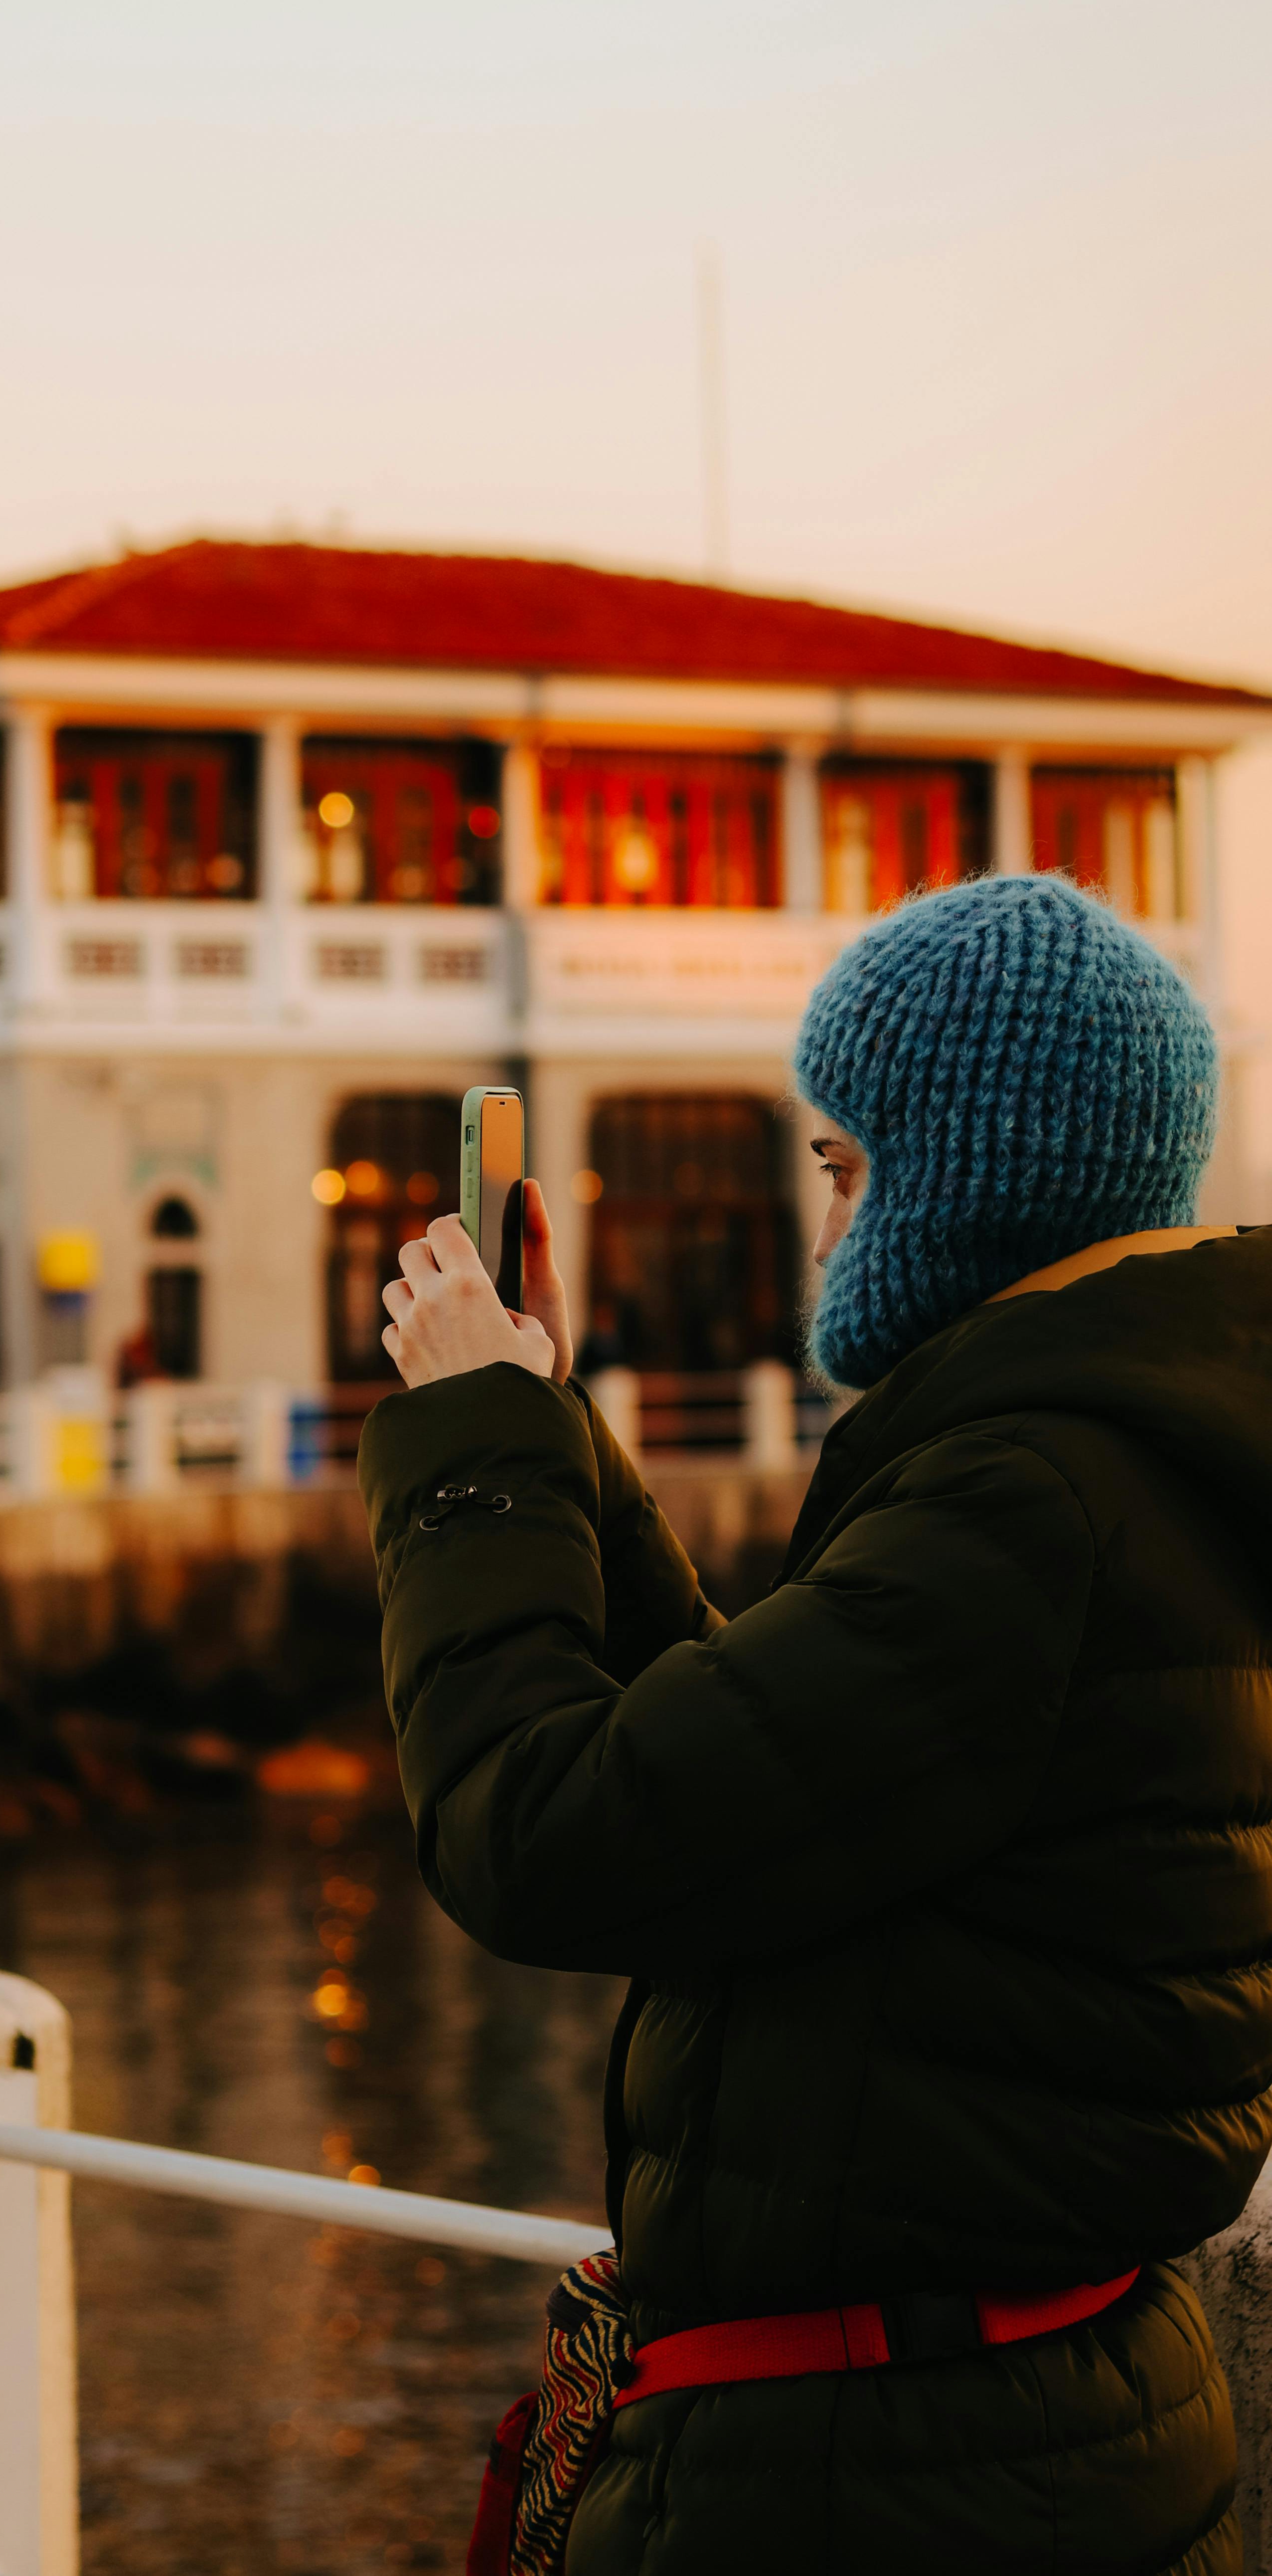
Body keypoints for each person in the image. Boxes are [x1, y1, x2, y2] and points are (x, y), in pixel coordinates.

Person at [361, 873, 1272, 2575]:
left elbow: (544, 1831)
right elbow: (792, 1766)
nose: (828, 1225)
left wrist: (474, 1451)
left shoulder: (1032, 1498)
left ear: (970, 1174)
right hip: (1035, 2417)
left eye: (844, 1167)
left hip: (901, 2474)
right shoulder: (1128, 1458)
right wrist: (557, 1428)